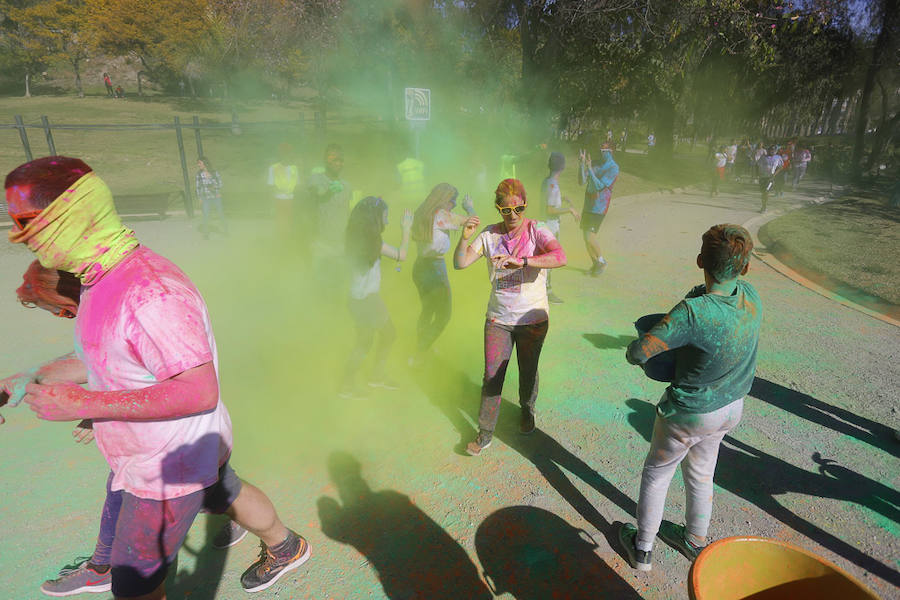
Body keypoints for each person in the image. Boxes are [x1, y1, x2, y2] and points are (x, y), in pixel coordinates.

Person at [3, 156, 311, 599]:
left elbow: (199, 391)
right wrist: (28, 377)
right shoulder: (100, 279)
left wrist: (84, 405)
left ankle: (280, 546)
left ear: (71, 217)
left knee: (134, 588)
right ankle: (286, 546)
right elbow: (109, 355)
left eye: (29, 222)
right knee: (225, 493)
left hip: (168, 465)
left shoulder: (150, 293)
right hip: (172, 450)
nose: (24, 237)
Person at [618, 224, 761, 572]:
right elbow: (710, 296)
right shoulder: (751, 295)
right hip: (730, 406)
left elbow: (640, 353)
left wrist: (634, 348)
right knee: (700, 473)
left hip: (689, 412)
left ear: (700, 259)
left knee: (657, 473)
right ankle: (695, 541)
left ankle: (642, 548)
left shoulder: (692, 312)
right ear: (745, 268)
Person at [453, 179, 567, 456]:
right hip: (499, 319)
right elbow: (460, 263)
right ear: (498, 209)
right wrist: (465, 236)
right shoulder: (489, 235)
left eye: (519, 209)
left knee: (528, 371)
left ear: (525, 207)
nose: (513, 216)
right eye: (506, 210)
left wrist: (525, 261)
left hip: (533, 319)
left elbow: (560, 256)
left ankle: (527, 410)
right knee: (492, 374)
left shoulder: (537, 229)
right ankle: (485, 433)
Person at [340, 196, 413, 398]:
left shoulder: (356, 238)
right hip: (365, 300)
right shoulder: (373, 242)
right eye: (385, 216)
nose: (387, 221)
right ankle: (350, 384)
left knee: (381, 336)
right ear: (374, 217)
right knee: (369, 340)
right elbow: (402, 255)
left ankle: (372, 377)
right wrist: (406, 229)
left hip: (362, 299)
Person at [409, 184, 476, 366]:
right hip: (434, 269)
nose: (454, 204)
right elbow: (473, 221)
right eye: (452, 200)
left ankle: (422, 348)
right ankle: (420, 351)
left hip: (420, 266)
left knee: (427, 310)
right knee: (444, 314)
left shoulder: (423, 211)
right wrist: (469, 207)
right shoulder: (441, 214)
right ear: (443, 199)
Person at [541, 151, 579, 303]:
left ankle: (543, 288)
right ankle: (547, 291)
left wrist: (561, 199)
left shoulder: (546, 181)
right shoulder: (553, 185)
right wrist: (569, 210)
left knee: (545, 258)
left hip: (545, 225)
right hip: (550, 227)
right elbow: (549, 209)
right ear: (562, 168)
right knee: (550, 259)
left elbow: (548, 200)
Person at [578, 145, 619, 275]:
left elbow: (600, 185)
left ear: (611, 151)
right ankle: (595, 265)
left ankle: (601, 261)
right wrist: (581, 165)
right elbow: (581, 182)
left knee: (590, 237)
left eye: (605, 150)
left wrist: (590, 169)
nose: (601, 152)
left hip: (599, 207)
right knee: (585, 238)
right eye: (600, 149)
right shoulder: (594, 163)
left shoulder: (613, 168)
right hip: (588, 205)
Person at [309, 144, 352, 259]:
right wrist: (329, 192)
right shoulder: (316, 179)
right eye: (333, 159)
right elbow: (316, 198)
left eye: (340, 160)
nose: (337, 163)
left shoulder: (347, 186)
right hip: (321, 243)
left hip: (341, 244)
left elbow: (348, 213)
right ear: (325, 160)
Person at [267, 143, 300, 236]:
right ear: (280, 154)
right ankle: (280, 243)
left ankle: (289, 242)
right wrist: (271, 206)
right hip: (279, 199)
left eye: (288, 152)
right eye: (284, 152)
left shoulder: (295, 168)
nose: (287, 155)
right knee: (280, 225)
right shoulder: (273, 168)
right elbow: (270, 186)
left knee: (291, 225)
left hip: (292, 200)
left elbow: (297, 186)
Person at [195, 155, 227, 239]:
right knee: (206, 215)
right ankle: (206, 234)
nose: (198, 165)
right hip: (206, 198)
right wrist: (200, 198)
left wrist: (212, 182)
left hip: (216, 197)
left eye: (199, 163)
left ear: (205, 163)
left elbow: (220, 184)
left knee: (221, 214)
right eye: (198, 163)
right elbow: (198, 187)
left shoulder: (214, 172)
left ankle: (225, 231)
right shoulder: (199, 174)